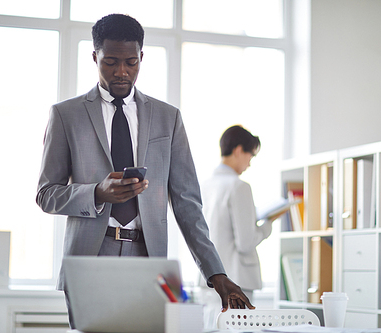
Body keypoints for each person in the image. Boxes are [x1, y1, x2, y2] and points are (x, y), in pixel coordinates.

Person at [36, 14, 253, 328]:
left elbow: (187, 205)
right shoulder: (66, 115)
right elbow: (46, 194)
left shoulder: (168, 118)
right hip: (90, 257)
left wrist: (215, 273)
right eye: (110, 61)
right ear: (95, 56)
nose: (122, 72)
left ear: (141, 57)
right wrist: (97, 192)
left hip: (149, 257)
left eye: (131, 62)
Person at [200, 125, 275, 324]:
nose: (249, 163)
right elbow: (246, 243)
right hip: (236, 282)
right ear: (239, 150)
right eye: (251, 155)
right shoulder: (239, 186)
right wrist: (267, 226)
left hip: (209, 279)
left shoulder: (205, 185)